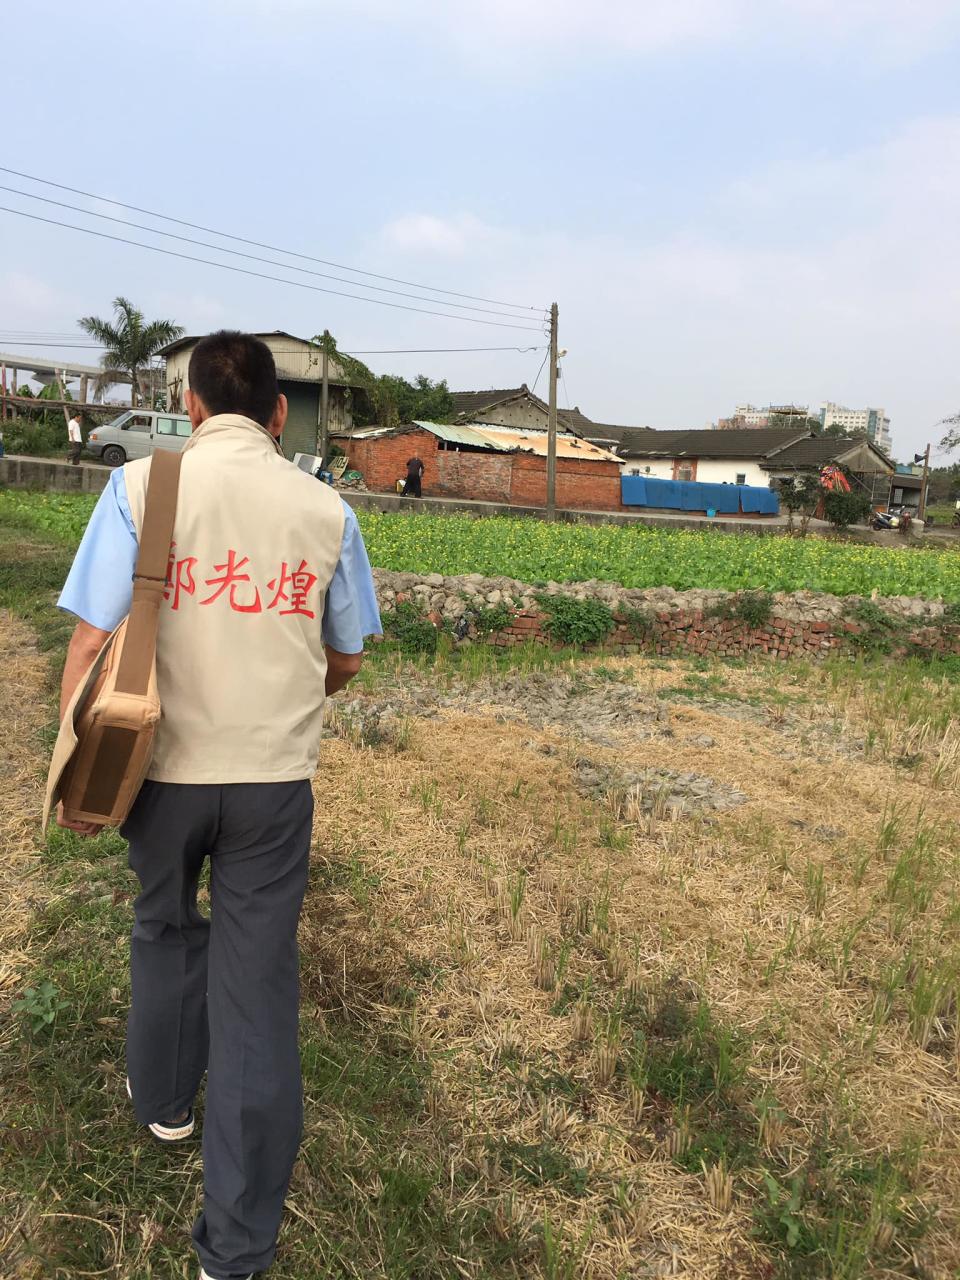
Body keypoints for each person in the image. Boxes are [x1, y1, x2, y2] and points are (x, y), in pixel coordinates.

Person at [55, 332, 382, 1280]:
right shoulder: (326, 511)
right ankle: (235, 1250)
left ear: (189, 408)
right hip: (273, 787)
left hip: (156, 772)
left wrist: (75, 773)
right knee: (256, 990)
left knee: (162, 925)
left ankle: (164, 1100)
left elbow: (87, 648)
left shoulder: (141, 489)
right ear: (279, 415)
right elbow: (349, 656)